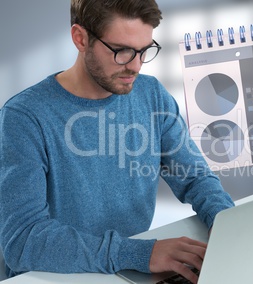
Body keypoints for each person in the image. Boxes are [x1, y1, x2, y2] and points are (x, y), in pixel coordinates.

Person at [0, 0, 234, 283]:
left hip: (127, 271)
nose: (135, 66)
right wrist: (138, 253)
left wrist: (227, 222)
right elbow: (23, 241)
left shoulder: (152, 95)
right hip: (51, 276)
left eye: (143, 51)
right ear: (80, 38)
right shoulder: (24, 117)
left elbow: (194, 177)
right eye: (122, 51)